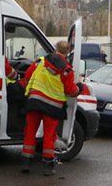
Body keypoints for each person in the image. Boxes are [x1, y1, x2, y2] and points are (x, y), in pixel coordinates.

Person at [21, 41, 80, 176]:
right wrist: (79, 88)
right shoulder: (67, 70)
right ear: (68, 52)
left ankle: (26, 163)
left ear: (55, 49)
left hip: (35, 102)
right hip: (52, 107)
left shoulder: (40, 62)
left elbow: (28, 75)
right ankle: (48, 167)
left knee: (30, 132)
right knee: (49, 135)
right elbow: (70, 90)